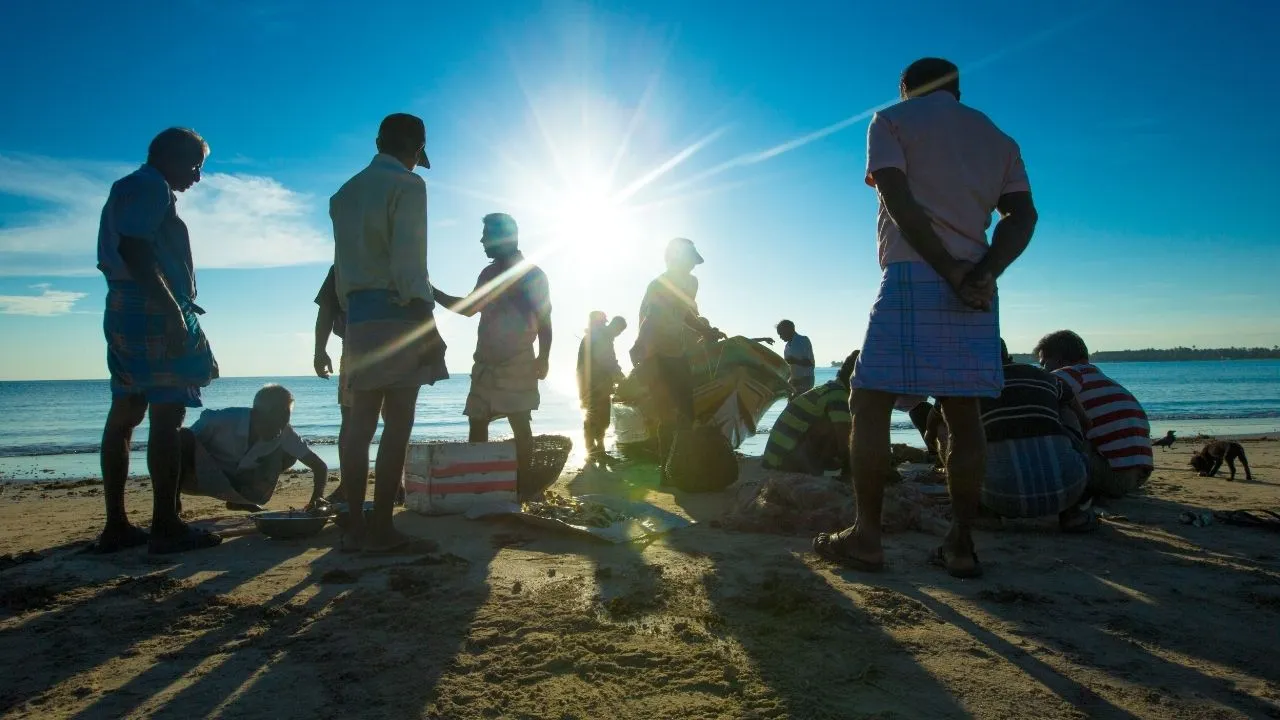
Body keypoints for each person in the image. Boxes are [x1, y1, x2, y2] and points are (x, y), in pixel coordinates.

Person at [813, 58, 1038, 578]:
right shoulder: (999, 138)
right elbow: (1022, 216)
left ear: (906, 88)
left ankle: (867, 537)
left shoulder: (890, 120)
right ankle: (961, 544)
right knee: (964, 414)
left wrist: (945, 268)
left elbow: (896, 195)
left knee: (868, 402)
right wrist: (984, 271)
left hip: (916, 270)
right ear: (957, 91)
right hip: (977, 282)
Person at [94, 127, 222, 555]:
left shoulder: (127, 188)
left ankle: (117, 525)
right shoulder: (151, 188)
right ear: (169, 156)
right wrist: (171, 312)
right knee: (168, 415)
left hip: (122, 306)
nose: (197, 177)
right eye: (194, 166)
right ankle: (166, 524)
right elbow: (136, 250)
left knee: (126, 410)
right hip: (151, 305)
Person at [331, 113, 447, 552]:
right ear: (417, 150)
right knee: (397, 425)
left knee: (357, 428)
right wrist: (427, 326)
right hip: (399, 312)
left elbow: (342, 268)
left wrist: (349, 312)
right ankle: (381, 527)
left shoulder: (344, 194)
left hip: (358, 316)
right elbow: (408, 264)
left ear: (378, 141)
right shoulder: (408, 185)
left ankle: (356, 526)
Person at [434, 213, 552, 499]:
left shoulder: (531, 274)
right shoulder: (488, 274)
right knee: (477, 420)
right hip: (485, 362)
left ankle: (523, 487)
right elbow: (468, 308)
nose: (482, 240)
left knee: (520, 423)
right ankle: (481, 484)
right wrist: (433, 293)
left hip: (517, 361)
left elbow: (545, 320)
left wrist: (543, 357)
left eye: (487, 235)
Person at [629, 237, 726, 475]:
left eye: (694, 261)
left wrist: (706, 330)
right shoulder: (658, 284)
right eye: (688, 259)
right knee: (666, 413)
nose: (692, 265)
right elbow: (649, 318)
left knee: (687, 410)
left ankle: (683, 460)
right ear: (673, 258)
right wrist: (639, 345)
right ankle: (666, 467)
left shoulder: (692, 283)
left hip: (678, 351)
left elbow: (686, 314)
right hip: (655, 353)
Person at [979, 341, 1095, 530]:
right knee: (1066, 408)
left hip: (997, 496)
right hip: (1068, 490)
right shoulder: (1044, 376)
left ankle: (983, 513)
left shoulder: (972, 384)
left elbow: (941, 430)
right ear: (1008, 356)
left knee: (960, 427)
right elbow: (1085, 421)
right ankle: (1072, 513)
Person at [1034, 329, 1153, 498]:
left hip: (1112, 476)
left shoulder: (1067, 376)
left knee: (1056, 408)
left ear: (1061, 360)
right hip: (1138, 476)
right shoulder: (1098, 379)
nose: (1042, 370)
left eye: (1043, 363)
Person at [178, 384, 328, 512]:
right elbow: (178, 446)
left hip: (238, 483)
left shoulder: (284, 431)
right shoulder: (220, 420)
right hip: (198, 478)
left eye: (286, 417)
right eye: (275, 419)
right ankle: (171, 506)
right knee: (183, 436)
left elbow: (319, 466)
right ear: (256, 413)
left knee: (290, 455)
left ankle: (241, 500)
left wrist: (318, 498)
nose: (279, 428)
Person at [762, 351, 859, 476]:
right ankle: (821, 466)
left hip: (775, 459)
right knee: (839, 426)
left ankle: (824, 464)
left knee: (841, 423)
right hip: (783, 461)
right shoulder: (838, 396)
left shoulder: (831, 389)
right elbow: (844, 442)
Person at [577, 312, 627, 462]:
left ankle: (596, 452)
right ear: (614, 325)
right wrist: (621, 377)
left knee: (596, 417)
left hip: (591, 383)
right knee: (597, 417)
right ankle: (595, 453)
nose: (618, 334)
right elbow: (608, 361)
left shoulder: (596, 336)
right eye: (618, 331)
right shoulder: (601, 337)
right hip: (594, 384)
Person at [777, 320, 816, 397]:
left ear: (789, 330)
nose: (780, 337)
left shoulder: (803, 340)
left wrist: (794, 361)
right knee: (792, 406)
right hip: (793, 382)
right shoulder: (787, 346)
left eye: (781, 333)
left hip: (805, 380)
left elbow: (810, 363)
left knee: (799, 406)